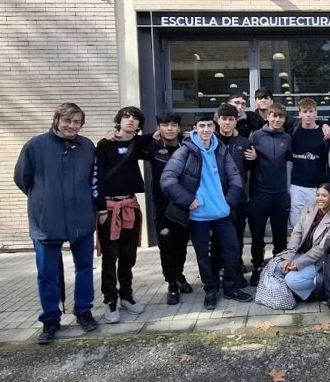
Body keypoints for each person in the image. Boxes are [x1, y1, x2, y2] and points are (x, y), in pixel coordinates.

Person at [14, 102, 101, 344]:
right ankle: (50, 319)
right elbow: (22, 179)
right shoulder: (35, 146)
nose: (71, 126)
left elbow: (93, 178)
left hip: (81, 218)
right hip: (47, 221)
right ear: (57, 120)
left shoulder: (87, 146)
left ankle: (83, 310)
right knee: (47, 273)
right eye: (67, 121)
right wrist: (44, 200)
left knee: (85, 269)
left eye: (77, 122)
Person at [161, 115, 252, 310]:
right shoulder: (186, 150)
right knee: (203, 255)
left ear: (214, 127)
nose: (205, 129)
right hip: (198, 216)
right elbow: (167, 179)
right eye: (201, 126)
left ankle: (231, 287)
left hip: (222, 212)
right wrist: (187, 200)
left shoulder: (221, 149)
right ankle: (211, 289)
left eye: (209, 125)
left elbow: (235, 177)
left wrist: (229, 201)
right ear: (195, 128)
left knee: (232, 250)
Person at [94, 106, 149, 324]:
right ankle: (110, 300)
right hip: (109, 208)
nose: (130, 120)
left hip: (130, 205)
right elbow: (96, 177)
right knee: (110, 256)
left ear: (139, 124)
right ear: (119, 120)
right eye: (126, 117)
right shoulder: (104, 144)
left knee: (128, 255)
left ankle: (127, 295)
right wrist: (100, 208)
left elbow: (164, 135)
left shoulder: (140, 143)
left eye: (135, 118)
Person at [148, 111, 194, 305]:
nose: (169, 129)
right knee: (166, 245)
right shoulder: (152, 146)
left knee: (181, 244)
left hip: (183, 204)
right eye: (165, 125)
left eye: (173, 125)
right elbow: (130, 141)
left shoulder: (187, 145)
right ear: (159, 128)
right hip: (162, 205)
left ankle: (179, 275)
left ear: (179, 128)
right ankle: (171, 284)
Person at [247, 102, 292, 285]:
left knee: (280, 235)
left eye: (281, 117)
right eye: (274, 116)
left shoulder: (287, 138)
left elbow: (292, 157)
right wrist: (253, 159)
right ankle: (257, 267)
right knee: (257, 235)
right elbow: (246, 161)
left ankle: (277, 268)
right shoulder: (256, 136)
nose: (277, 119)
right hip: (259, 193)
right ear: (268, 116)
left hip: (280, 194)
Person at [274, 183, 330, 300]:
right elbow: (297, 233)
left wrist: (298, 264)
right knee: (277, 267)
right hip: (300, 253)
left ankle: (316, 289)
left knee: (291, 279)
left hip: (315, 261)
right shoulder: (309, 208)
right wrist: (289, 257)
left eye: (324, 196)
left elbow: (320, 249)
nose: (319, 198)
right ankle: (295, 292)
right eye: (318, 195)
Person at [214, 103, 252, 285]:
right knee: (216, 237)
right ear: (218, 120)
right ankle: (217, 270)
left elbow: (250, 168)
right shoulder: (210, 140)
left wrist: (254, 159)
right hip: (215, 197)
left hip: (238, 198)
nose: (227, 122)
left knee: (237, 235)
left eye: (231, 119)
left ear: (236, 121)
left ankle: (236, 268)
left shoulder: (243, 142)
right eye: (224, 119)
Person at [288, 98, 330, 228]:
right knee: (296, 224)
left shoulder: (324, 133)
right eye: (305, 111)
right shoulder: (293, 132)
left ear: (316, 113)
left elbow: (328, 160)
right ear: (299, 113)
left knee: (318, 223)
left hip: (317, 186)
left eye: (311, 111)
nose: (308, 115)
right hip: (297, 185)